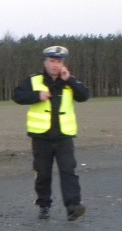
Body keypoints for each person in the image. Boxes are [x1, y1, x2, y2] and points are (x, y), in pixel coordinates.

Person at [12, 45, 90, 220]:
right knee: (43, 173)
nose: (55, 65)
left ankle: (73, 206)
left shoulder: (70, 81)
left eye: (59, 61)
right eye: (52, 61)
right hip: (41, 137)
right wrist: (36, 96)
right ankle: (44, 204)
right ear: (45, 62)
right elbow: (17, 96)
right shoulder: (34, 81)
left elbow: (84, 95)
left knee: (68, 170)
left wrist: (69, 80)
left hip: (64, 136)